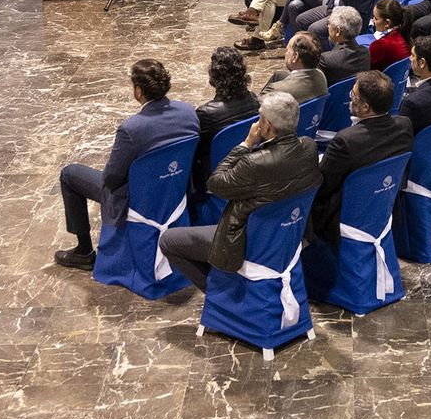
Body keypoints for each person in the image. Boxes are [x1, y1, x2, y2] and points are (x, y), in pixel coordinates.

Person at [157, 90, 322, 292]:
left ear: (267, 126)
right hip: (289, 234)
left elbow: (215, 184)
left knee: (169, 241)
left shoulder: (255, 162)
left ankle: (221, 292)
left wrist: (246, 144)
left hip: (247, 241)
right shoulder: (310, 146)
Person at [53, 59, 200, 270]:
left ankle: (83, 251)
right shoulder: (188, 112)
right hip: (174, 188)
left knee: (70, 174)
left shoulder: (132, 129)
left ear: (138, 91)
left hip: (139, 198)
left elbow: (111, 180)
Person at [310, 71, 414, 246]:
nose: (350, 99)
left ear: (366, 107)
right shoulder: (405, 125)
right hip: (384, 204)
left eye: (354, 96)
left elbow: (323, 185)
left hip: (347, 214)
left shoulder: (345, 140)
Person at [192, 47, 259, 198]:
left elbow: (195, 152)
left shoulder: (206, 113)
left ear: (214, 75)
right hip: (248, 170)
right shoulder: (254, 100)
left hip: (217, 177)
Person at [261, 33, 330, 104]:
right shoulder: (321, 75)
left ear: (295, 56)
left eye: (287, 50)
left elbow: (255, 112)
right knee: (278, 75)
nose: (286, 54)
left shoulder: (275, 90)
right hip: (311, 112)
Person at [318, 6, 371, 85]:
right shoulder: (366, 53)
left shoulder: (325, 60)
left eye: (328, 24)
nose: (328, 27)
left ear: (338, 31)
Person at [367, 0, 412, 72]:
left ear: (387, 23)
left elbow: (366, 71)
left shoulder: (380, 45)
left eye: (376, 18)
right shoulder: (406, 35)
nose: (373, 21)